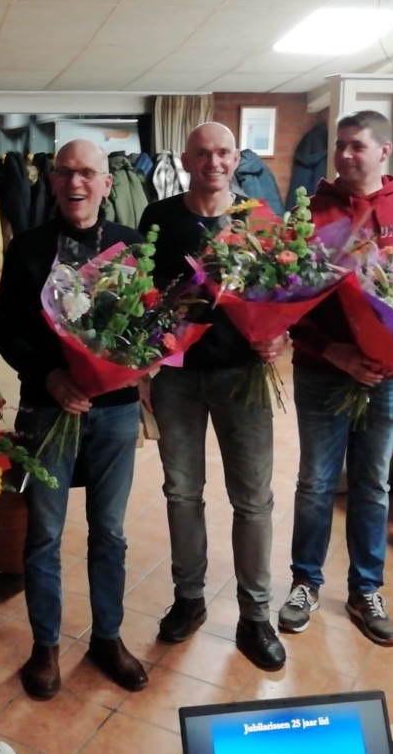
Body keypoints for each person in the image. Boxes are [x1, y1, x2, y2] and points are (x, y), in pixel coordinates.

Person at [278, 110, 393, 647]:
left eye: (357, 145)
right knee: (315, 484)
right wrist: (335, 350)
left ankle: (366, 589)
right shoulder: (309, 214)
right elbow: (287, 302)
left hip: (390, 377)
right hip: (323, 372)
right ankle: (305, 582)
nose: (346, 155)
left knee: (373, 485)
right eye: (340, 146)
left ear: (384, 151)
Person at [0, 139, 148, 699]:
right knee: (44, 534)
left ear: (107, 184)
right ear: (53, 182)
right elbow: (7, 331)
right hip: (46, 406)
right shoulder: (27, 248)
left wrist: (140, 364)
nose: (75, 182)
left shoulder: (134, 247)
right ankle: (46, 645)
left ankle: (108, 637)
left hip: (115, 413)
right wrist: (51, 376)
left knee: (109, 533)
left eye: (87, 173)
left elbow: (150, 328)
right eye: (65, 172)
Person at [138, 122, 286, 670]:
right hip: (176, 378)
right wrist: (144, 366)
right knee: (182, 492)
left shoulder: (259, 219)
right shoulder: (159, 218)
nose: (214, 163)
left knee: (253, 500)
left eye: (223, 153)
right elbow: (145, 297)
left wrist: (279, 335)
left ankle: (256, 615)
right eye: (202, 154)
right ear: (186, 160)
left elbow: (283, 294)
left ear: (236, 159)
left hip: (242, 376)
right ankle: (189, 599)